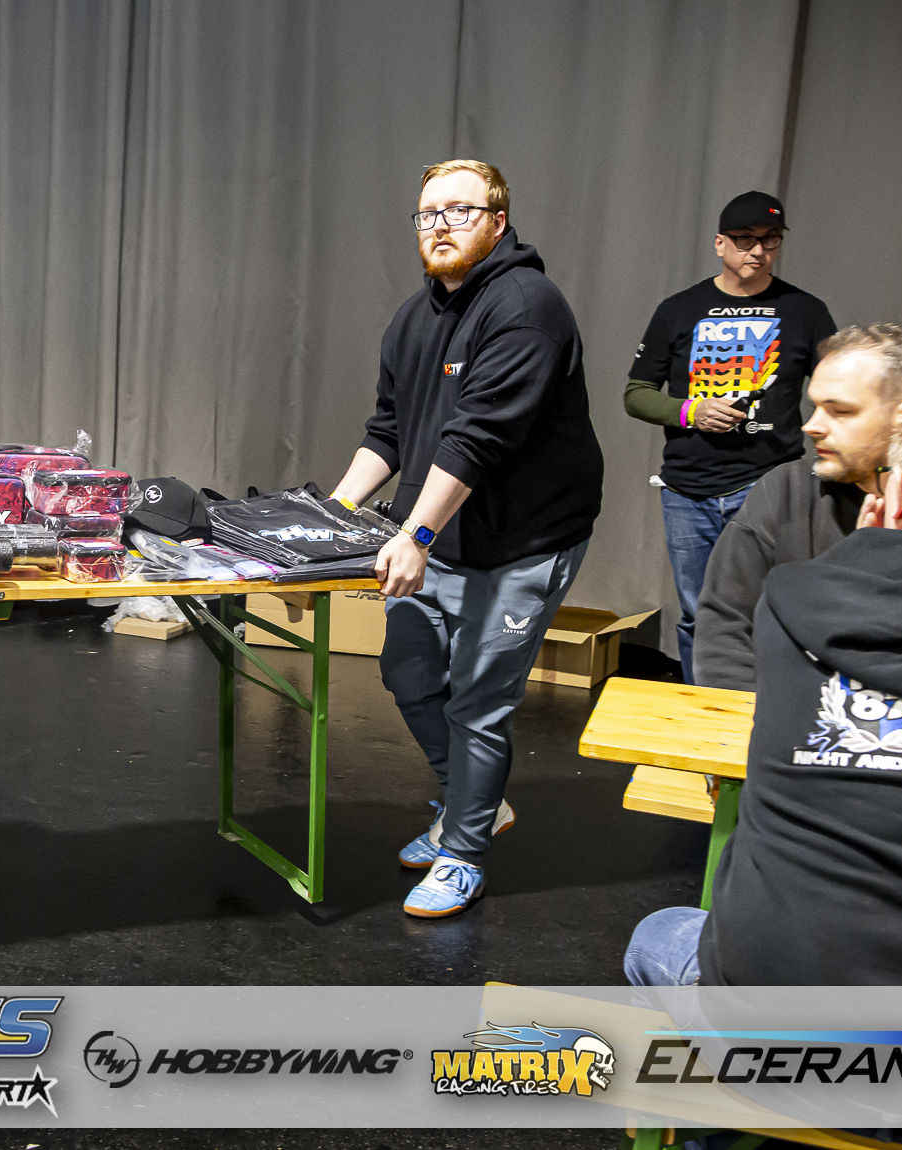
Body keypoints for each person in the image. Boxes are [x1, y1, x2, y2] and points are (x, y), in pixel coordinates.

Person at [624, 379, 902, 1145]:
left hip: (771, 1035)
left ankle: (705, 1132)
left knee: (661, 934)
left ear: (892, 496)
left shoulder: (794, 604)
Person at [329, 159, 604, 919]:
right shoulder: (411, 319)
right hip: (439, 533)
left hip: (523, 542)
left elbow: (478, 438)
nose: (440, 225)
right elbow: (389, 432)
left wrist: (414, 530)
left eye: (460, 210)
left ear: (498, 222)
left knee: (478, 703)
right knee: (409, 673)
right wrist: (335, 511)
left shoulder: (527, 307)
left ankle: (464, 852)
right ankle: (472, 802)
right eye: (428, 214)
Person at [624, 191, 836, 684]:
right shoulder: (680, 309)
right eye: (744, 239)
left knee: (771, 610)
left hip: (768, 486)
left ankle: (767, 716)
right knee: (699, 614)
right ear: (720, 243)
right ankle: (704, 714)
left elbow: (837, 386)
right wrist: (691, 411)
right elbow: (636, 394)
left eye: (770, 240)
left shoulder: (804, 311)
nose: (757, 251)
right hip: (688, 490)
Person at [693, 323, 902, 691]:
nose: (811, 426)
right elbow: (725, 624)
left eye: (840, 411)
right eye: (815, 406)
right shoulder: (786, 490)